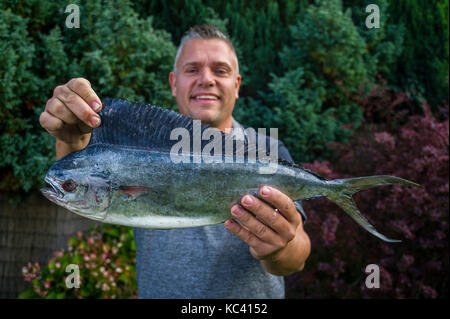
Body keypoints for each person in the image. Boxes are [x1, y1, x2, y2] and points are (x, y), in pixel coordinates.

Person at [39, 24, 311, 298]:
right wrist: (70, 137)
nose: (206, 80)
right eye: (192, 69)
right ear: (173, 82)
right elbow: (81, 174)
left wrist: (279, 248)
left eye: (220, 70)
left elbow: (297, 256)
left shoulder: (265, 149)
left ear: (237, 85)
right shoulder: (136, 145)